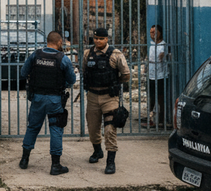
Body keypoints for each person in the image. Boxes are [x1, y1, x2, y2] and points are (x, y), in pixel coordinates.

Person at [18, 31, 77, 175]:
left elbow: (23, 73)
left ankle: (24, 160)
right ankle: (55, 165)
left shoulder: (35, 55)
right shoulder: (63, 59)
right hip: (55, 99)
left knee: (32, 127)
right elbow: (72, 80)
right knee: (56, 129)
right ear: (59, 42)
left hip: (37, 98)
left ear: (47, 41)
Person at [82, 27, 131, 174]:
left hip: (109, 98)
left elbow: (126, 74)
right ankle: (97, 151)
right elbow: (85, 71)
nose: (98, 41)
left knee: (110, 130)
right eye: (96, 38)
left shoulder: (116, 54)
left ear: (106, 39)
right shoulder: (87, 54)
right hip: (92, 96)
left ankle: (110, 162)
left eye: (101, 39)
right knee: (92, 129)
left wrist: (114, 83)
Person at [145, 24, 169, 129]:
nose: (152, 34)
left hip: (161, 75)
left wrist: (164, 55)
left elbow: (166, 56)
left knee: (160, 98)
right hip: (151, 75)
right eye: (151, 32)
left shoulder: (164, 45)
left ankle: (161, 121)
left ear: (160, 33)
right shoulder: (151, 45)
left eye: (155, 32)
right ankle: (150, 119)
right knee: (151, 98)